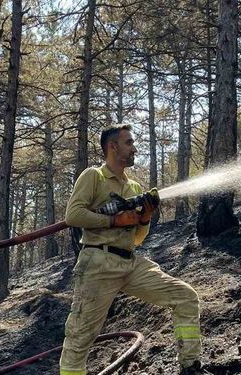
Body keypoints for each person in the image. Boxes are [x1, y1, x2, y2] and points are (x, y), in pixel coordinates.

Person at [59, 124, 203, 375]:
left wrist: (145, 218)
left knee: (185, 296)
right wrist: (113, 220)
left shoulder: (135, 188)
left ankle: (191, 367)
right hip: (98, 263)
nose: (135, 148)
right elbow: (73, 215)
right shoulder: (94, 176)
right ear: (112, 146)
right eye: (129, 143)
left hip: (130, 262)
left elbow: (136, 238)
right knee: (79, 338)